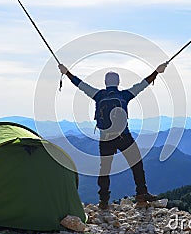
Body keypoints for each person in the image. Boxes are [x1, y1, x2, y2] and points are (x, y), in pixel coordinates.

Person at [58, 62, 168, 209]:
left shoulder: (98, 95)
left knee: (105, 169)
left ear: (105, 82)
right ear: (118, 82)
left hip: (105, 139)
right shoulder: (124, 95)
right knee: (136, 163)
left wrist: (66, 72)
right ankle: (141, 193)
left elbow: (80, 85)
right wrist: (157, 71)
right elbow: (143, 84)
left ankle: (103, 201)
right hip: (124, 136)